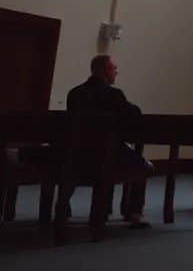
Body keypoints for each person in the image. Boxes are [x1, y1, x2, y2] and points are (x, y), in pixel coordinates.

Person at [65, 54, 153, 227]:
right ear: (105, 71)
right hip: (107, 153)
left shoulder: (74, 94)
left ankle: (68, 208)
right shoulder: (113, 95)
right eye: (114, 69)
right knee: (142, 165)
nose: (117, 72)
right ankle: (133, 212)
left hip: (75, 154)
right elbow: (134, 114)